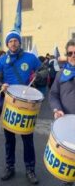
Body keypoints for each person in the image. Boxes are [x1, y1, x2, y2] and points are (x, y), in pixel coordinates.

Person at [0, 30, 41, 185]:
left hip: (27, 104)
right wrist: (1, 85)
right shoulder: (1, 60)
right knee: (9, 140)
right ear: (7, 44)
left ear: (20, 42)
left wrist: (38, 76)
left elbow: (44, 70)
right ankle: (9, 167)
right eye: (10, 41)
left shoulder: (31, 58)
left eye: (16, 40)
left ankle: (30, 169)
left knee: (28, 139)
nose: (13, 43)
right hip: (9, 103)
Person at [49, 39, 75, 186]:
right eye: (70, 53)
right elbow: (53, 95)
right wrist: (56, 109)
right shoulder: (61, 75)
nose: (73, 56)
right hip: (67, 126)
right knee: (68, 169)